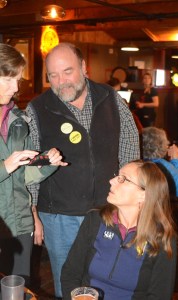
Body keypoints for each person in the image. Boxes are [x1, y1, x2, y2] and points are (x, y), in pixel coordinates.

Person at [26, 42, 140, 298]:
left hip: (108, 211)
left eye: (67, 71)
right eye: (53, 75)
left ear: (84, 68)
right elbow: (30, 166)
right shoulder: (36, 108)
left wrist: (131, 196)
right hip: (59, 217)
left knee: (105, 279)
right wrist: (32, 212)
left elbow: (130, 146)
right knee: (67, 282)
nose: (61, 81)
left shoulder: (110, 97)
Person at [61, 160, 177, 300]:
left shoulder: (162, 238)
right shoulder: (95, 220)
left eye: (123, 179)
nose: (111, 181)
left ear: (143, 195)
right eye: (117, 176)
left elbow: (160, 296)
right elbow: (70, 273)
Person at [0, 43, 67, 285]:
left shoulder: (19, 120)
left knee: (18, 289)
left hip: (20, 224)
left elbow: (24, 178)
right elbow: (8, 168)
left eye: (17, 80)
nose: (16, 87)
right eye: (8, 79)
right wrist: (5, 166)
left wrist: (47, 163)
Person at [142, 127, 178, 199]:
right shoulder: (162, 165)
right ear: (160, 144)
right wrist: (176, 159)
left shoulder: (137, 163)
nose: (168, 142)